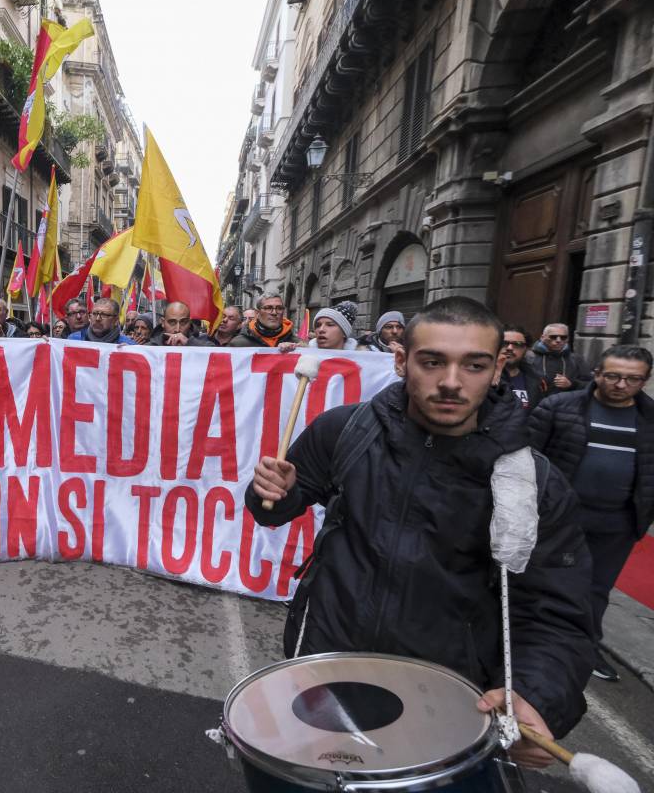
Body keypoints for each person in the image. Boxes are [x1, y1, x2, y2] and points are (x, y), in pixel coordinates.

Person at [249, 296, 593, 764]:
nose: (451, 382)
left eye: (474, 365)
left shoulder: (533, 483)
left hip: (449, 701)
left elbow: (557, 613)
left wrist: (538, 695)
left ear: (497, 370)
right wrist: (273, 492)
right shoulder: (344, 430)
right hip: (326, 667)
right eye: (432, 362)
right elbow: (273, 509)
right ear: (400, 360)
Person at [528, 345, 653, 682]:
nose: (621, 384)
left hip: (618, 524)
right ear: (597, 374)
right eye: (613, 375)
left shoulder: (651, 419)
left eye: (632, 379)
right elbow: (526, 457)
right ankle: (533, 647)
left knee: (596, 590)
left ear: (645, 381)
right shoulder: (559, 407)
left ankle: (584, 648)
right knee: (544, 582)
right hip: (559, 520)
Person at [526, 323, 592, 398]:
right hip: (535, 404)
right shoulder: (529, 357)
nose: (558, 340)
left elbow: (590, 385)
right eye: (553, 337)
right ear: (542, 337)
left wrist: (571, 384)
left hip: (565, 405)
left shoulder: (576, 359)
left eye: (563, 337)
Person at [497, 325, 543, 411]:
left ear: (526, 349)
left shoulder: (536, 379)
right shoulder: (484, 377)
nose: (509, 348)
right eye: (504, 343)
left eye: (517, 344)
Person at [230, 293, 297, 348]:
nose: (274, 312)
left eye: (279, 308)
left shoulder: (296, 344)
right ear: (257, 313)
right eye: (268, 308)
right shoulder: (238, 344)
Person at [66, 297, 135, 345]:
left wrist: (129, 355)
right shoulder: (74, 339)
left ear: (116, 320)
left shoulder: (128, 345)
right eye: (95, 314)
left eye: (104, 315)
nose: (98, 319)